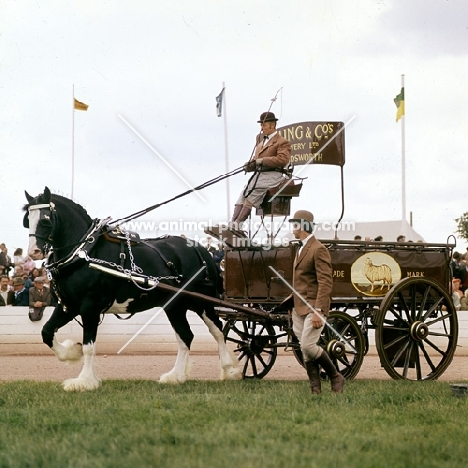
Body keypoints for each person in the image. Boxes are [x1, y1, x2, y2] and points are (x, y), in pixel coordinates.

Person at [284, 210, 345, 394]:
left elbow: (326, 281)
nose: (292, 227)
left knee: (307, 346)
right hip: (299, 307)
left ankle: (336, 376)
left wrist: (318, 309)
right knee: (305, 349)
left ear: (302, 225)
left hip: (313, 306)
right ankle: (315, 389)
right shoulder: (300, 247)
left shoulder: (318, 249)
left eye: (294, 224)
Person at [230, 111, 292, 230]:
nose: (261, 128)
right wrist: (250, 166)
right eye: (261, 125)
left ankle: (237, 224)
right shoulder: (260, 142)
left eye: (264, 125)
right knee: (243, 194)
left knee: (252, 193)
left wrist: (262, 160)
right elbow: (256, 160)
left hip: (274, 175)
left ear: (273, 125)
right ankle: (232, 223)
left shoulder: (282, 142)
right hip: (259, 176)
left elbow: (282, 160)